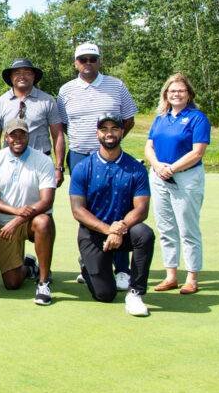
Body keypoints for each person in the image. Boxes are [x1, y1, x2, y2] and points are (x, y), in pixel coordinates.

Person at [58, 43, 138, 289]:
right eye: (83, 59)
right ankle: (90, 263)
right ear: (76, 63)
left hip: (112, 156)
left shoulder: (117, 85)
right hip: (81, 157)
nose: (88, 63)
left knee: (119, 208)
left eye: (92, 59)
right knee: (86, 212)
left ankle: (122, 269)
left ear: (99, 61)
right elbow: (61, 125)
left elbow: (129, 119)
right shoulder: (66, 90)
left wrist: (113, 141)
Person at [68, 112, 155, 316]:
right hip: (93, 233)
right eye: (104, 129)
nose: (109, 133)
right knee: (105, 294)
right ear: (97, 133)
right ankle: (87, 265)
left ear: (122, 132)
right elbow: (77, 210)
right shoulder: (83, 167)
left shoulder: (136, 168)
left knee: (145, 234)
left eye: (114, 128)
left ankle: (135, 293)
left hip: (124, 231)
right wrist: (109, 230)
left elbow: (141, 209)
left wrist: (119, 229)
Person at [144, 74, 210, 295]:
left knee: (187, 228)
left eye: (181, 91)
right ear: (166, 95)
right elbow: (149, 147)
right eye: (172, 91)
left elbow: (198, 151)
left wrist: (171, 168)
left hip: (186, 177)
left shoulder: (197, 118)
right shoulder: (161, 118)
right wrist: (157, 166)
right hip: (159, 177)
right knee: (166, 228)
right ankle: (171, 275)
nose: (176, 94)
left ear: (189, 94)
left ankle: (192, 277)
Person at [0, 118, 56, 305]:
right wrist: (16, 212)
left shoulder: (43, 160)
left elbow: (47, 201)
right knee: (12, 283)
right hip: (3, 222)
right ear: (6, 137)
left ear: (28, 136)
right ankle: (28, 266)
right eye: (13, 135)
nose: (17, 139)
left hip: (33, 220)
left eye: (22, 135)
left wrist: (18, 219)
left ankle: (43, 281)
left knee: (44, 222)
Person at [0, 58, 66, 187]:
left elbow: (57, 135)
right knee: (8, 203)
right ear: (11, 77)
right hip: (10, 163)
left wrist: (59, 167)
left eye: (27, 72)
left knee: (41, 205)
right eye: (17, 73)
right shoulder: (1, 102)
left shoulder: (47, 100)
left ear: (34, 76)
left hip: (40, 162)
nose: (22, 76)